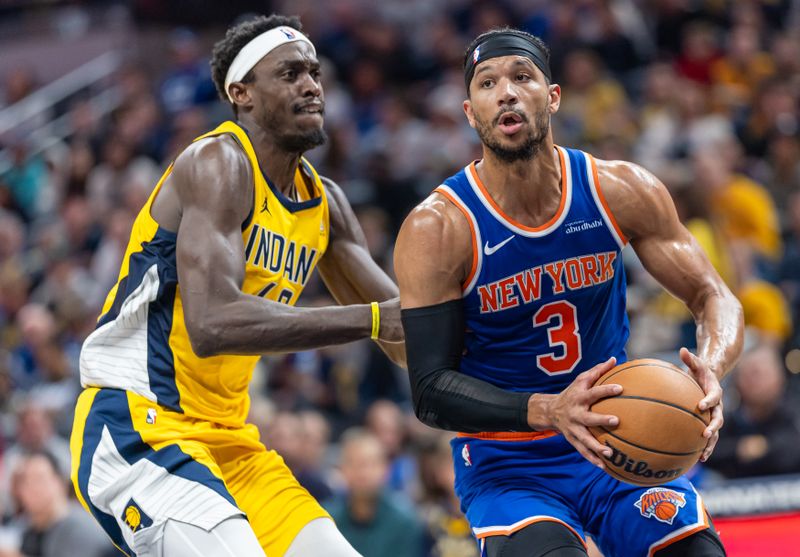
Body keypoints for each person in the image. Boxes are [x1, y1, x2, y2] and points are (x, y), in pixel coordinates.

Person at [394, 28, 743, 557]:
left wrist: (711, 371)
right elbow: (430, 389)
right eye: (487, 84)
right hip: (509, 463)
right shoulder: (440, 227)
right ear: (471, 112)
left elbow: (714, 295)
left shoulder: (618, 189)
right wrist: (550, 410)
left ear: (552, 96)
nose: (505, 92)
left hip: (618, 442)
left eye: (521, 77)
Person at [70, 14, 404, 557]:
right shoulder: (216, 162)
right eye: (290, 73)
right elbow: (213, 323)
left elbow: (405, 332)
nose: (312, 85)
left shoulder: (327, 204)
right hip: (140, 425)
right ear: (242, 93)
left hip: (231, 441)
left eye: (315, 72)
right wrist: (370, 321)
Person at [324, 428, 424, 557]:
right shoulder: (327, 520)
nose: (363, 473)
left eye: (371, 464)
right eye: (354, 464)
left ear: (386, 468)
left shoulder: (405, 520)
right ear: (342, 469)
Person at [706, 343, 800, 478]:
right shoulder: (728, 419)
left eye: (759, 373)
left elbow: (793, 449)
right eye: (747, 374)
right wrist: (739, 448)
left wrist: (765, 447)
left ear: (779, 377)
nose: (753, 381)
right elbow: (708, 453)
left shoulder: (793, 412)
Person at [14, 450, 112, 557]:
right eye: (25, 482)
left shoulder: (81, 528)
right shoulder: (29, 532)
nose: (32, 488)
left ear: (61, 482)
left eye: (39, 479)